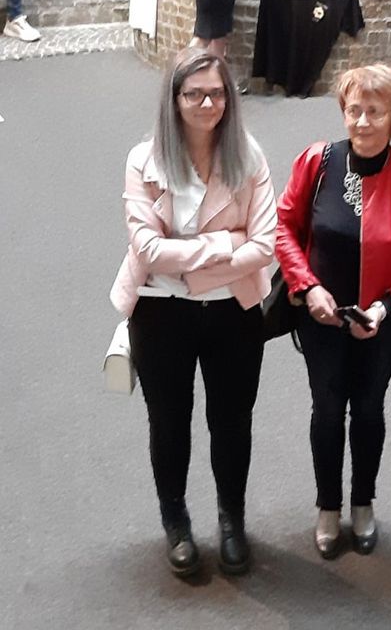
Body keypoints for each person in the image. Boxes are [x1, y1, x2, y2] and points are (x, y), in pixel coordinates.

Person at [109, 48, 277, 577]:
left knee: (232, 422)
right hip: (160, 313)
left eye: (217, 93)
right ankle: (176, 521)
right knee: (169, 422)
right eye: (194, 94)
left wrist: (191, 261)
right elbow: (147, 250)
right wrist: (226, 244)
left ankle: (231, 519)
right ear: (174, 98)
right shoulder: (143, 160)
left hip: (234, 313)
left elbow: (265, 245)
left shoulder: (249, 157)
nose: (208, 104)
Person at [275, 64, 391, 559]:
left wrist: (387, 308)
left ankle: (363, 503)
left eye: (375, 111)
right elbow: (283, 229)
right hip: (320, 316)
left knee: (368, 408)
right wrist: (308, 288)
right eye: (354, 110)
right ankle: (328, 506)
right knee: (327, 409)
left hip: (382, 322)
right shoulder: (317, 161)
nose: (363, 122)